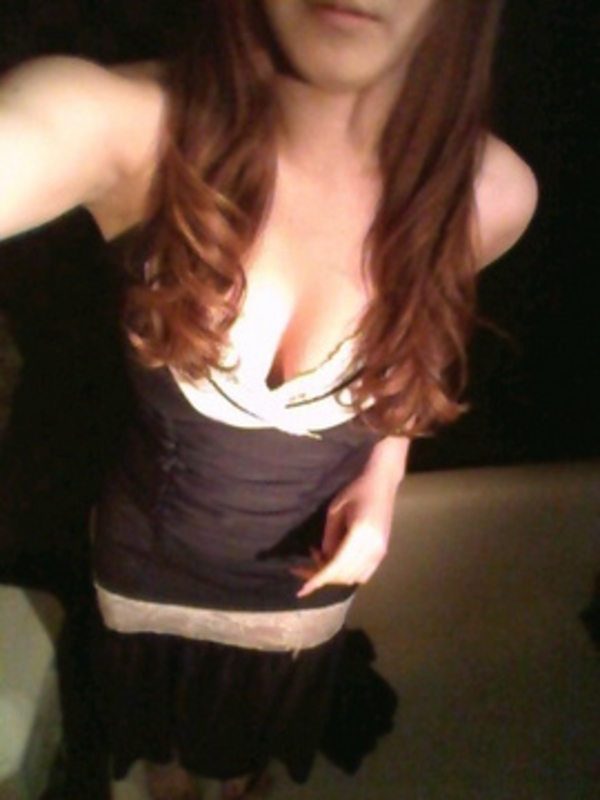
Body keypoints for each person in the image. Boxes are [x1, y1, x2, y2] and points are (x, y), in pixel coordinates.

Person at [0, 1, 538, 798]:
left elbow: (418, 340)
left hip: (303, 578)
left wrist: (385, 473)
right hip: (147, 556)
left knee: (250, 738)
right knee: (157, 741)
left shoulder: (490, 193)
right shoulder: (126, 130)